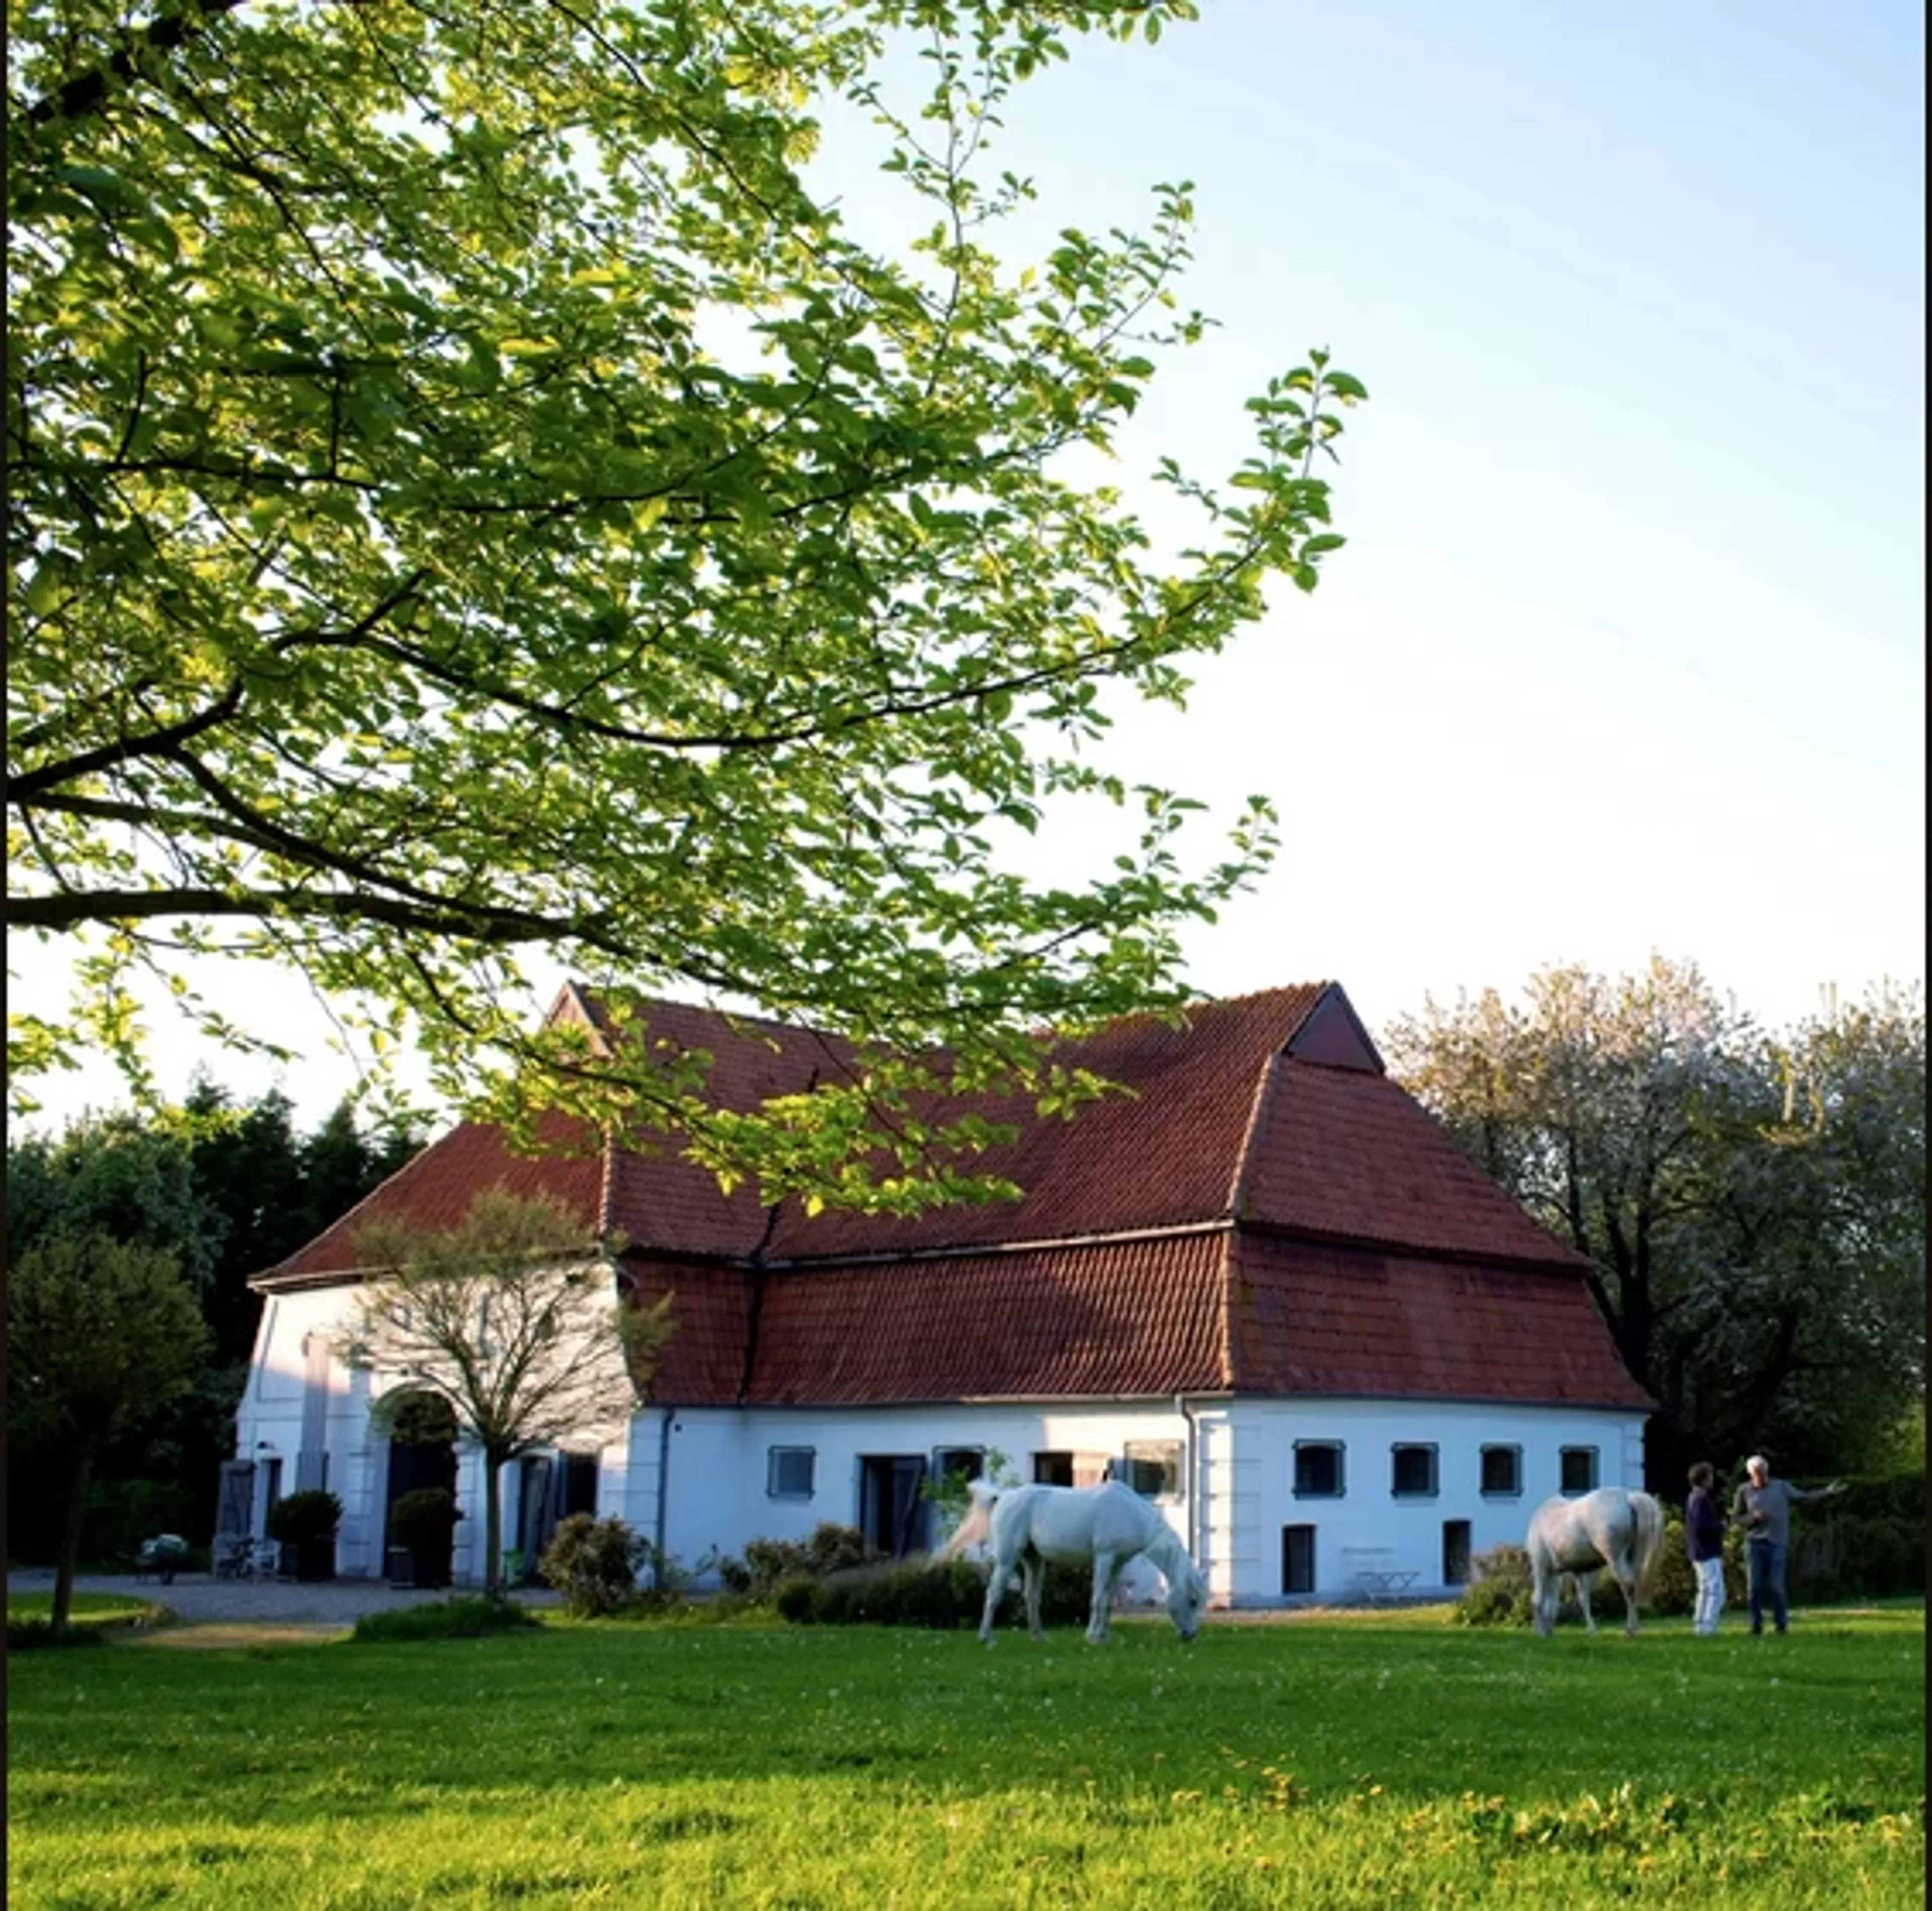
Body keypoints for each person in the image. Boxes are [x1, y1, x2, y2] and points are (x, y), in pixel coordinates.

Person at [1733, 1454, 1842, 1636]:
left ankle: (1781, 1624)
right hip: (1755, 1542)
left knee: (1777, 1586)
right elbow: (1737, 1518)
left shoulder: (1781, 1487)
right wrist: (1753, 1518)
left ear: (1767, 1471)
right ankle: (1755, 1624)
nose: (1760, 1477)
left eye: (1763, 1473)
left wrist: (1827, 1493)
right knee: (1754, 1586)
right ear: (1751, 1474)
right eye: (1756, 1474)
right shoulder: (1744, 1491)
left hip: (1777, 1542)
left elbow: (1803, 1498)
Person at [1684, 1462, 1726, 1635]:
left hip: (1697, 1550)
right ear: (1703, 1479)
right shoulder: (1701, 1500)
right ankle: (1708, 1625)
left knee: (1704, 1588)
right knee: (1716, 1589)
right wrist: (1720, 1526)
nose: (1712, 1480)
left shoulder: (1693, 1498)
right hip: (1707, 1550)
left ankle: (1700, 1624)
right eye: (1710, 1476)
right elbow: (1702, 1526)